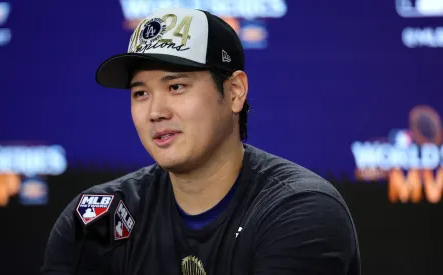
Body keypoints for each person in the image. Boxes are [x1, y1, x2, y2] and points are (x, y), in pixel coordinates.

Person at [41, 7, 361, 275]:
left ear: (234, 92)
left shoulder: (300, 211)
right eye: (141, 93)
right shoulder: (99, 215)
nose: (155, 112)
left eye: (176, 87)